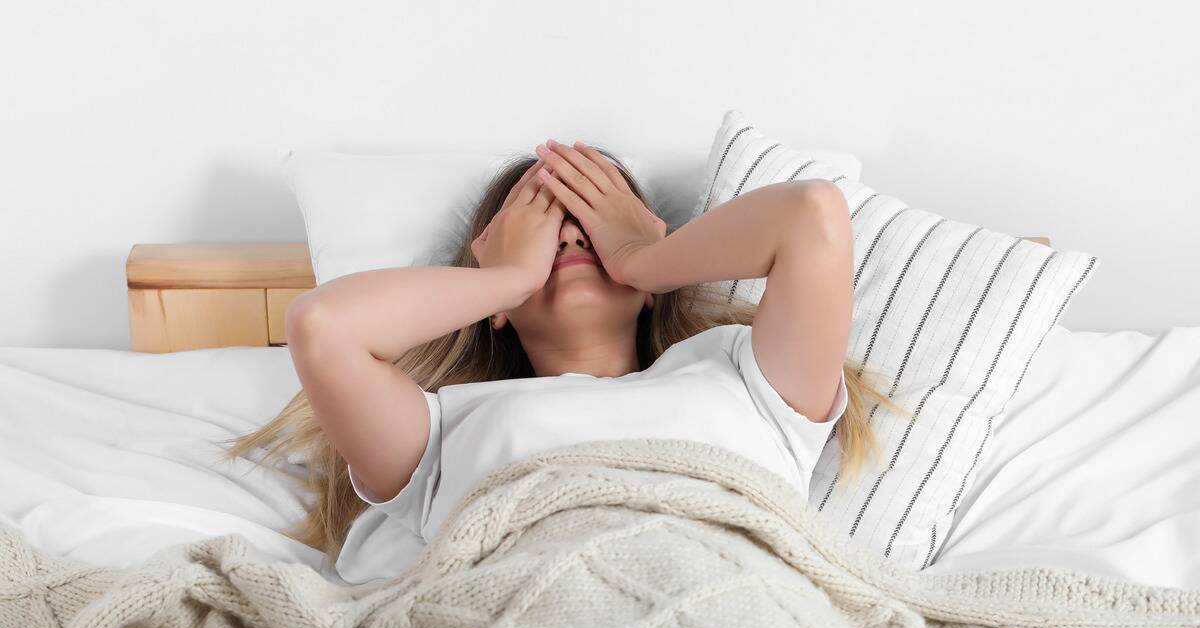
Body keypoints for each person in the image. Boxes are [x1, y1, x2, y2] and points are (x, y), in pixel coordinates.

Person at [224, 139, 895, 562]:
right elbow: (322, 327)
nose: (572, 239)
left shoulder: (746, 377)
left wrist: (643, 255)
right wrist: (504, 279)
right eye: (544, 230)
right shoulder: (441, 426)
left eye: (592, 226)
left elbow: (811, 214)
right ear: (495, 313)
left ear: (651, 285)